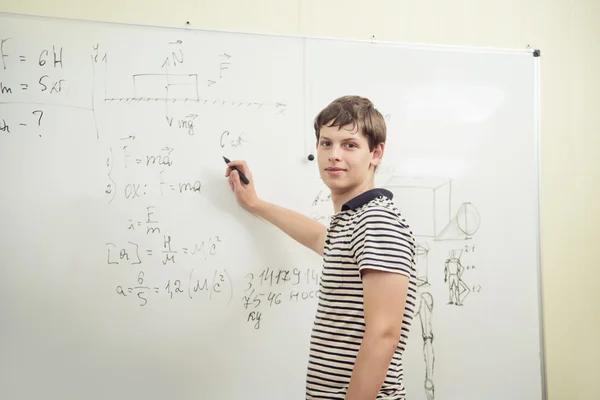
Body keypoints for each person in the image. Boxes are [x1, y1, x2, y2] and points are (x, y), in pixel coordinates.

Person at [225, 95, 418, 400]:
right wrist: (256, 204)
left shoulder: (377, 221)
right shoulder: (352, 221)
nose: (334, 155)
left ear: (376, 153)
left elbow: (384, 334)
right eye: (326, 143)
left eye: (349, 145)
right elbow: (318, 238)